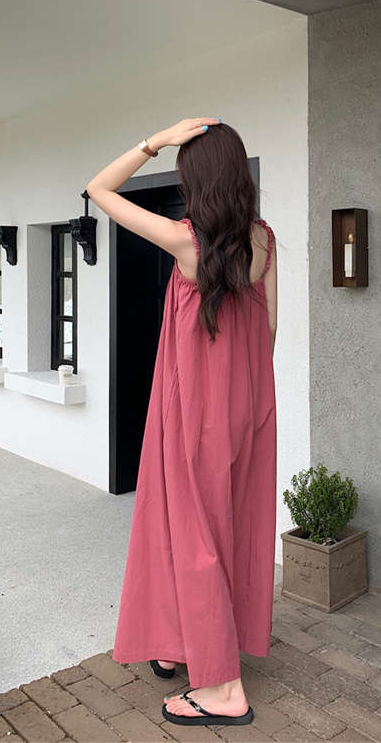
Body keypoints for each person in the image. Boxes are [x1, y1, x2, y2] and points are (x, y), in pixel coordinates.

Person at [86, 117, 278, 727]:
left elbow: (99, 188)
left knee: (192, 536)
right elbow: (269, 330)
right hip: (247, 407)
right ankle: (181, 640)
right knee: (224, 526)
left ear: (198, 181)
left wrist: (155, 141)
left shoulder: (185, 240)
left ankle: (222, 688)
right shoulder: (263, 241)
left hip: (196, 411)